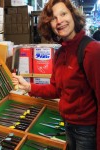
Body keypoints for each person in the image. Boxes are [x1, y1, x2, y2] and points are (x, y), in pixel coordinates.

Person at [12, 0, 100, 150]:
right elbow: (56, 89)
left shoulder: (91, 50)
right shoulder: (60, 54)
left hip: (87, 131)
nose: (59, 21)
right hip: (68, 125)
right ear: (49, 25)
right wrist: (29, 87)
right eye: (53, 18)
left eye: (63, 14)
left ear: (73, 15)